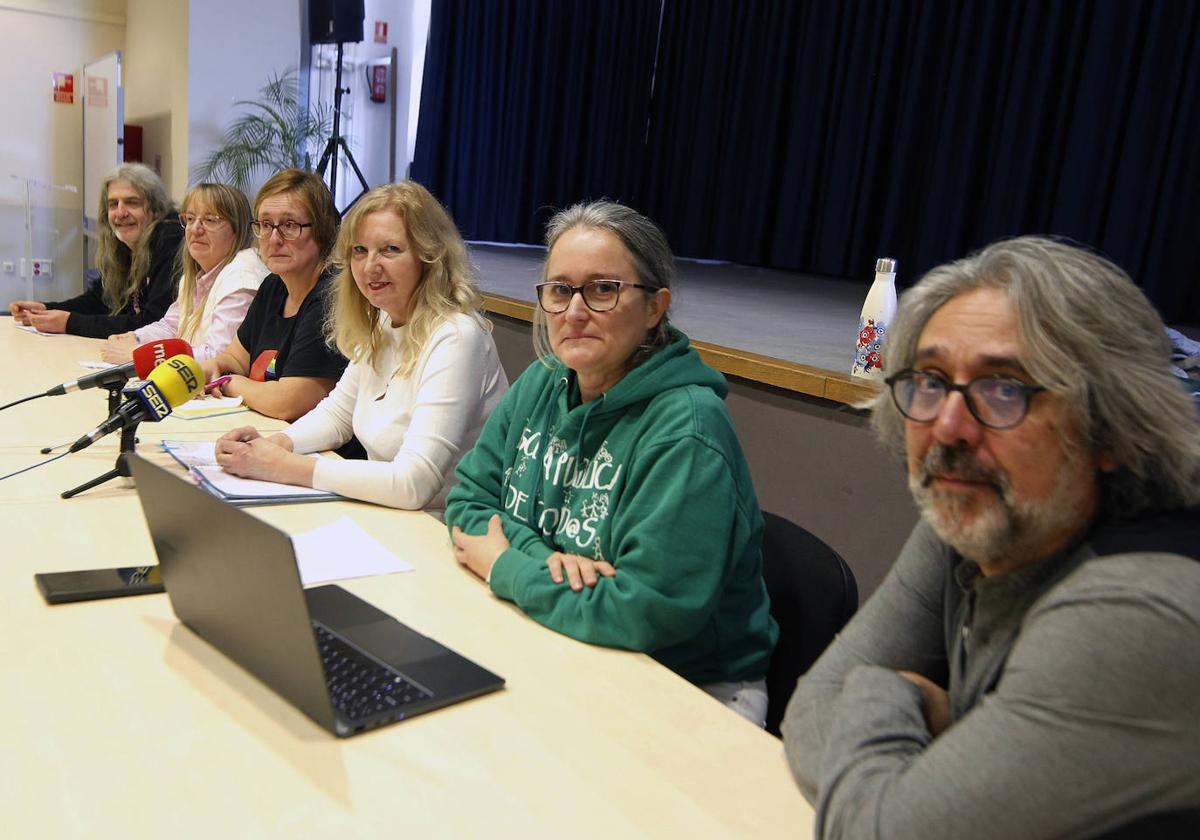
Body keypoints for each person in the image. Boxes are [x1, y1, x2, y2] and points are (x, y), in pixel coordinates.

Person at [781, 237, 1200, 839]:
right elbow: (812, 705)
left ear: (1109, 425)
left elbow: (877, 829)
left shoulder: (1138, 607)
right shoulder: (982, 513)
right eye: (929, 380)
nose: (947, 427)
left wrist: (885, 691)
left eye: (1004, 388)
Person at [446, 200, 778, 725]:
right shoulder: (541, 381)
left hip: (687, 687)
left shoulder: (687, 429)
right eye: (559, 290)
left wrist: (504, 563)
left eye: (603, 289)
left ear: (654, 307)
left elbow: (641, 609)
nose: (574, 311)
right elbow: (468, 501)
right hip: (568, 634)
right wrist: (543, 557)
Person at [212, 181, 508, 511]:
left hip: (441, 531)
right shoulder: (384, 321)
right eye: (360, 251)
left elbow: (414, 484)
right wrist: (271, 445)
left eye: (390, 250)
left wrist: (282, 465)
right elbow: (337, 415)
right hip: (389, 516)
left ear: (430, 256)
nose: (370, 267)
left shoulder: (456, 337)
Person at [200, 169, 346, 421]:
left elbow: (286, 403)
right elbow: (235, 358)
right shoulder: (273, 286)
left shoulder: (332, 296)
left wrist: (227, 382)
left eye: (289, 225)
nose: (274, 239)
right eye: (265, 225)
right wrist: (218, 366)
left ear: (322, 231)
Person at [101, 182, 269, 364]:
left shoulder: (242, 279)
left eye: (210, 220)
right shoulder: (198, 275)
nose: (195, 229)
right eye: (190, 219)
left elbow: (219, 356)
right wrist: (134, 338)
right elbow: (170, 326)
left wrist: (142, 357)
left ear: (238, 229)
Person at [9, 163, 182, 337]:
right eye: (113, 204)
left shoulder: (170, 240)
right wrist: (47, 309)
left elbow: (153, 322)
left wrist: (69, 323)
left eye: (132, 202)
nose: (120, 213)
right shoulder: (124, 242)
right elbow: (100, 300)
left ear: (156, 208)